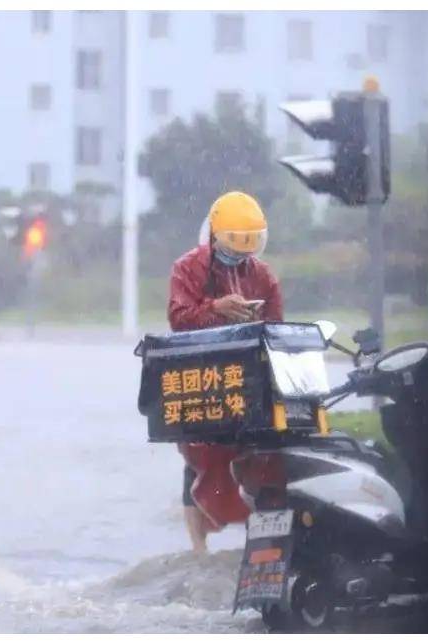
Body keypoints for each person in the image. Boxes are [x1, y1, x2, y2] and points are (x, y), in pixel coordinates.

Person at [167, 191, 283, 553]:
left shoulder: (263, 275)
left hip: (248, 376)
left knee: (264, 449)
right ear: (214, 236)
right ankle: (198, 548)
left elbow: (277, 327)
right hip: (202, 375)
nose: (239, 256)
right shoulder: (188, 268)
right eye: (233, 246)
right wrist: (216, 308)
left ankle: (264, 533)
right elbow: (178, 318)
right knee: (200, 451)